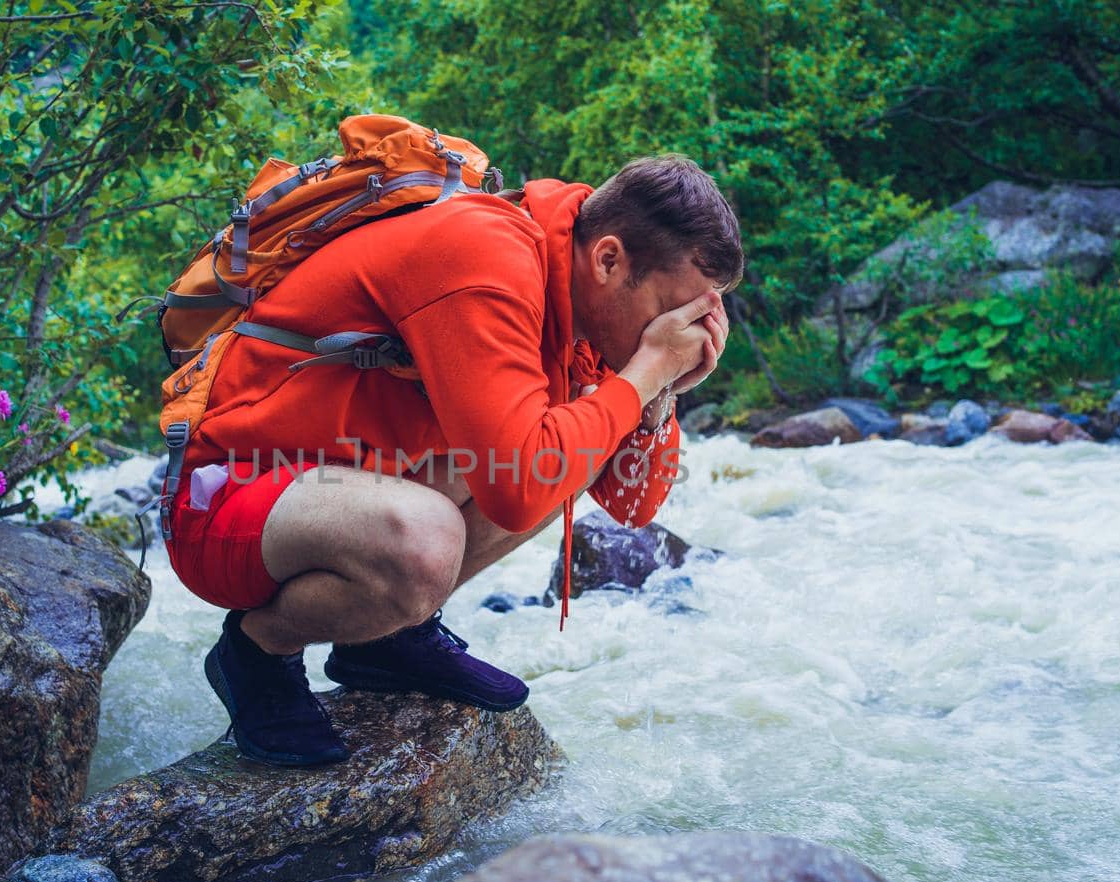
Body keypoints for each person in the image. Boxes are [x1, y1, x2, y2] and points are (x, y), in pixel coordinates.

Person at [167, 154, 743, 766]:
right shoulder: (485, 254)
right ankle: (257, 651)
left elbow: (630, 503)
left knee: (574, 447)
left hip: (346, 489)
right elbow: (520, 488)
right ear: (608, 259)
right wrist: (646, 370)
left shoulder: (577, 303)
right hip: (228, 501)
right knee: (434, 533)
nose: (681, 332)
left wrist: (661, 391)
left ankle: (385, 640)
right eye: (674, 310)